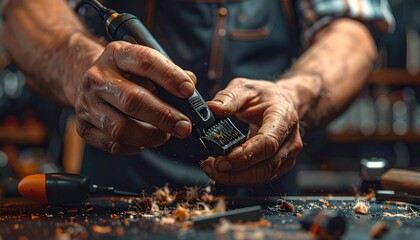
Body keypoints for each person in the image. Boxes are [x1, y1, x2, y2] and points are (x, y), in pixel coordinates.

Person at [2, 0, 394, 194]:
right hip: (119, 192)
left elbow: (352, 29)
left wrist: (295, 94)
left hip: (265, 201)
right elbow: (26, 9)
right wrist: (80, 63)